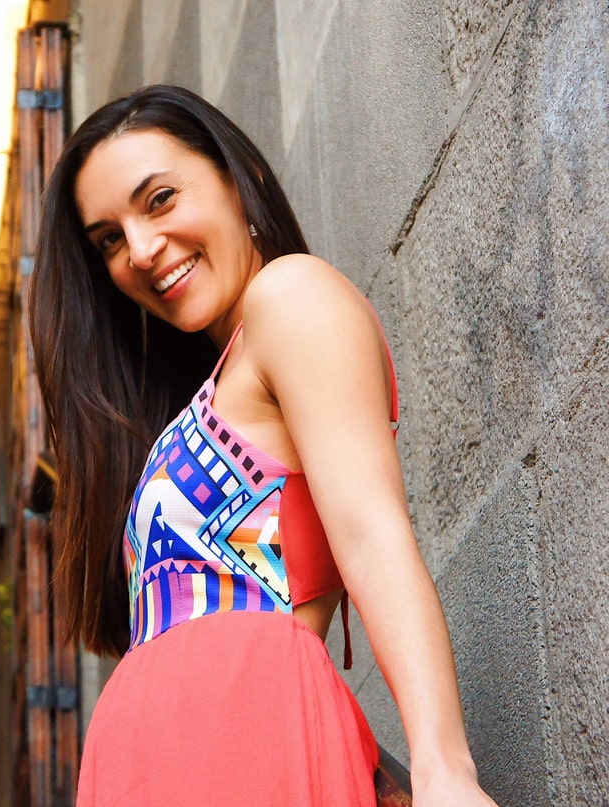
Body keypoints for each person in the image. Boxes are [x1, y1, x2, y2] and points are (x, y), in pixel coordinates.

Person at [26, 85, 498, 806]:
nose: (141, 251)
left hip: (250, 738)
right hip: (148, 768)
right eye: (109, 240)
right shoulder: (206, 388)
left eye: (158, 199)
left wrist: (444, 771)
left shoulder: (291, 296)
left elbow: (373, 534)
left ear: (234, 174)